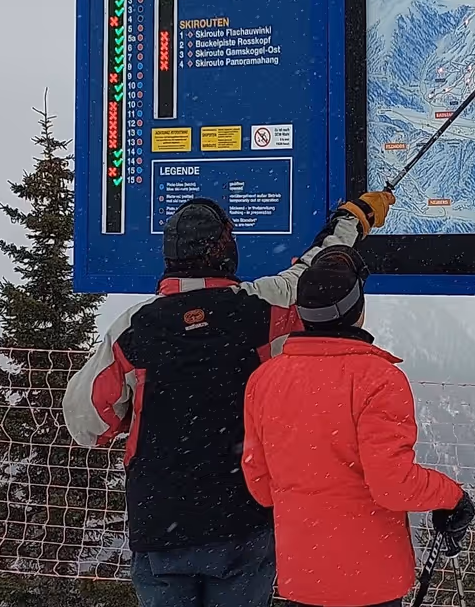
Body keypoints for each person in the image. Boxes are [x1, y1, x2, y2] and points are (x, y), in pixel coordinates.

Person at [62, 191, 395, 607]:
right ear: (227, 249)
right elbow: (318, 270)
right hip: (243, 518)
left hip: (160, 519)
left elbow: (86, 422)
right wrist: (353, 218)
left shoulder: (134, 327)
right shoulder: (263, 306)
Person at [240, 235, 475, 607]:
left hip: (303, 577)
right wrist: (453, 497)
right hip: (372, 581)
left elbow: (259, 484)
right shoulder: (378, 379)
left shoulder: (266, 378)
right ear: (358, 310)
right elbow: (392, 485)